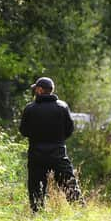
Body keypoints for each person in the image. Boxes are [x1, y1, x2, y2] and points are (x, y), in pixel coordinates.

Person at [19, 77, 83, 212]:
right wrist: (57, 140)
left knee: (36, 187)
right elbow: (69, 130)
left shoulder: (30, 109)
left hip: (36, 154)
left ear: (40, 90)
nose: (35, 91)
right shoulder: (62, 107)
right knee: (69, 185)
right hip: (58, 153)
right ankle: (80, 212)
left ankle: (37, 214)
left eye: (36, 88)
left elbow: (23, 131)